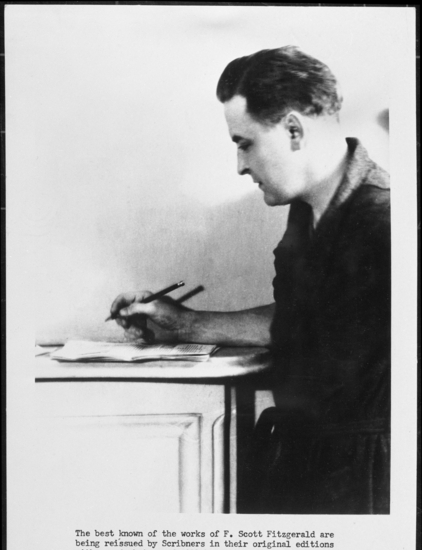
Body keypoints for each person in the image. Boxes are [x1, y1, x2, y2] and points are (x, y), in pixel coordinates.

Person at [110, 46, 390, 515]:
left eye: (245, 143)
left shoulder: (383, 221)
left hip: (364, 482)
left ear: (294, 131)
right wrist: (186, 324)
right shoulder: (306, 212)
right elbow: (308, 321)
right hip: (305, 465)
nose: (240, 166)